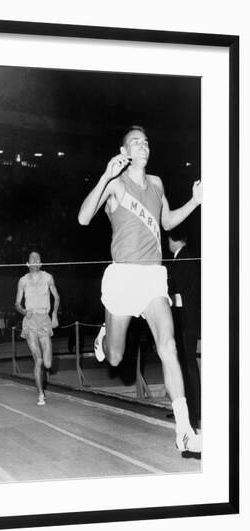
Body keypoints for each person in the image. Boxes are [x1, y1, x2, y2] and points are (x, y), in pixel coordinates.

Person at [78, 125, 202, 452]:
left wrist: (195, 201)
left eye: (146, 142)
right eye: (136, 142)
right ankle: (106, 332)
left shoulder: (158, 184)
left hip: (152, 277)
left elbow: (167, 222)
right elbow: (83, 218)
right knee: (115, 358)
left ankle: (185, 430)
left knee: (169, 345)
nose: (143, 146)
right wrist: (104, 176)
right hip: (123, 277)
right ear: (125, 152)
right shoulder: (116, 186)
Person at [15, 251, 60, 406]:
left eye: (38, 258)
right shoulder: (22, 281)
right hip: (30, 321)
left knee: (47, 363)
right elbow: (17, 304)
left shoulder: (48, 277)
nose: (35, 260)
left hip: (44, 319)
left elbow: (57, 296)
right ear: (27, 264)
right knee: (38, 359)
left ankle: (44, 378)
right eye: (32, 258)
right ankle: (41, 395)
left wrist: (54, 315)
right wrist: (23, 311)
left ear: (41, 263)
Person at [168, 228, 201, 430]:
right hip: (186, 318)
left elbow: (181, 291)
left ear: (174, 240)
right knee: (183, 363)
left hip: (185, 320)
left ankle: (193, 411)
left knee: (187, 363)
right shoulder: (184, 257)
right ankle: (189, 409)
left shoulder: (184, 259)